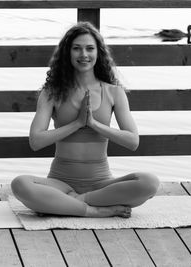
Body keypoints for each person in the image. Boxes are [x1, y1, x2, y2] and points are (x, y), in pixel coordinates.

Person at [11, 22, 159, 218]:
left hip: (102, 183)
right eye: (76, 48)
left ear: (99, 53)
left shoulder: (114, 92)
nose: (84, 55)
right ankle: (94, 210)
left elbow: (133, 141)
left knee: (149, 182)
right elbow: (36, 141)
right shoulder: (51, 93)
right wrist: (77, 123)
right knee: (20, 184)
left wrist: (94, 124)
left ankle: (69, 204)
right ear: (67, 53)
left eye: (90, 48)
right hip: (60, 183)